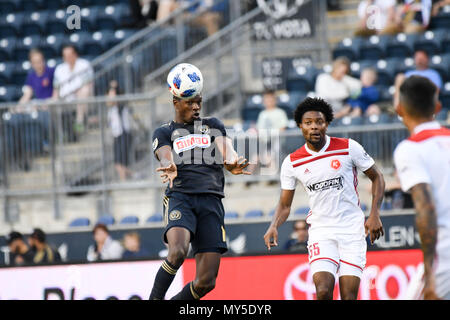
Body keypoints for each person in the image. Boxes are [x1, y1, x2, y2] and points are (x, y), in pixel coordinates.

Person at [263, 97, 385, 300]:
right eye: (308, 123)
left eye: (319, 122)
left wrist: (374, 214)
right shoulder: (292, 162)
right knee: (323, 291)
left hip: (352, 230)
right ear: (300, 126)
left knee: (348, 295)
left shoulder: (348, 147)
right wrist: (273, 224)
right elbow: (285, 204)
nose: (314, 127)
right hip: (321, 231)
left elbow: (377, 177)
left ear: (327, 123)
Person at [149, 66, 250, 300]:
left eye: (199, 101)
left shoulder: (213, 124)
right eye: (189, 102)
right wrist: (169, 162)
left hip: (212, 201)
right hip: (181, 197)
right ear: (176, 101)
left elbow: (227, 150)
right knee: (177, 252)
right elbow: (164, 153)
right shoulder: (164, 131)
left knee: (206, 282)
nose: (196, 107)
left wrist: (231, 161)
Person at [393, 75, 450, 300]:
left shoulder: (410, 149)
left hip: (444, 255)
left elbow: (426, 209)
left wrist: (430, 275)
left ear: (399, 109)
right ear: (437, 106)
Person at [52, 44, 94, 135]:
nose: (67, 58)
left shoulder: (84, 64)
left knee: (83, 91)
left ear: (75, 54)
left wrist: (75, 93)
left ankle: (79, 121)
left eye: (69, 55)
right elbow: (56, 88)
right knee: (51, 102)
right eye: (65, 56)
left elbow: (88, 84)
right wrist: (54, 99)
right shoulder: (60, 68)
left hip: (83, 97)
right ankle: (59, 133)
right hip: (64, 98)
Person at [106, 80, 136, 181]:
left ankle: (124, 180)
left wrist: (114, 87)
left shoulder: (121, 106)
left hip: (123, 135)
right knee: (118, 163)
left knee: (120, 162)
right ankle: (134, 175)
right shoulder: (112, 109)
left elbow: (118, 94)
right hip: (117, 135)